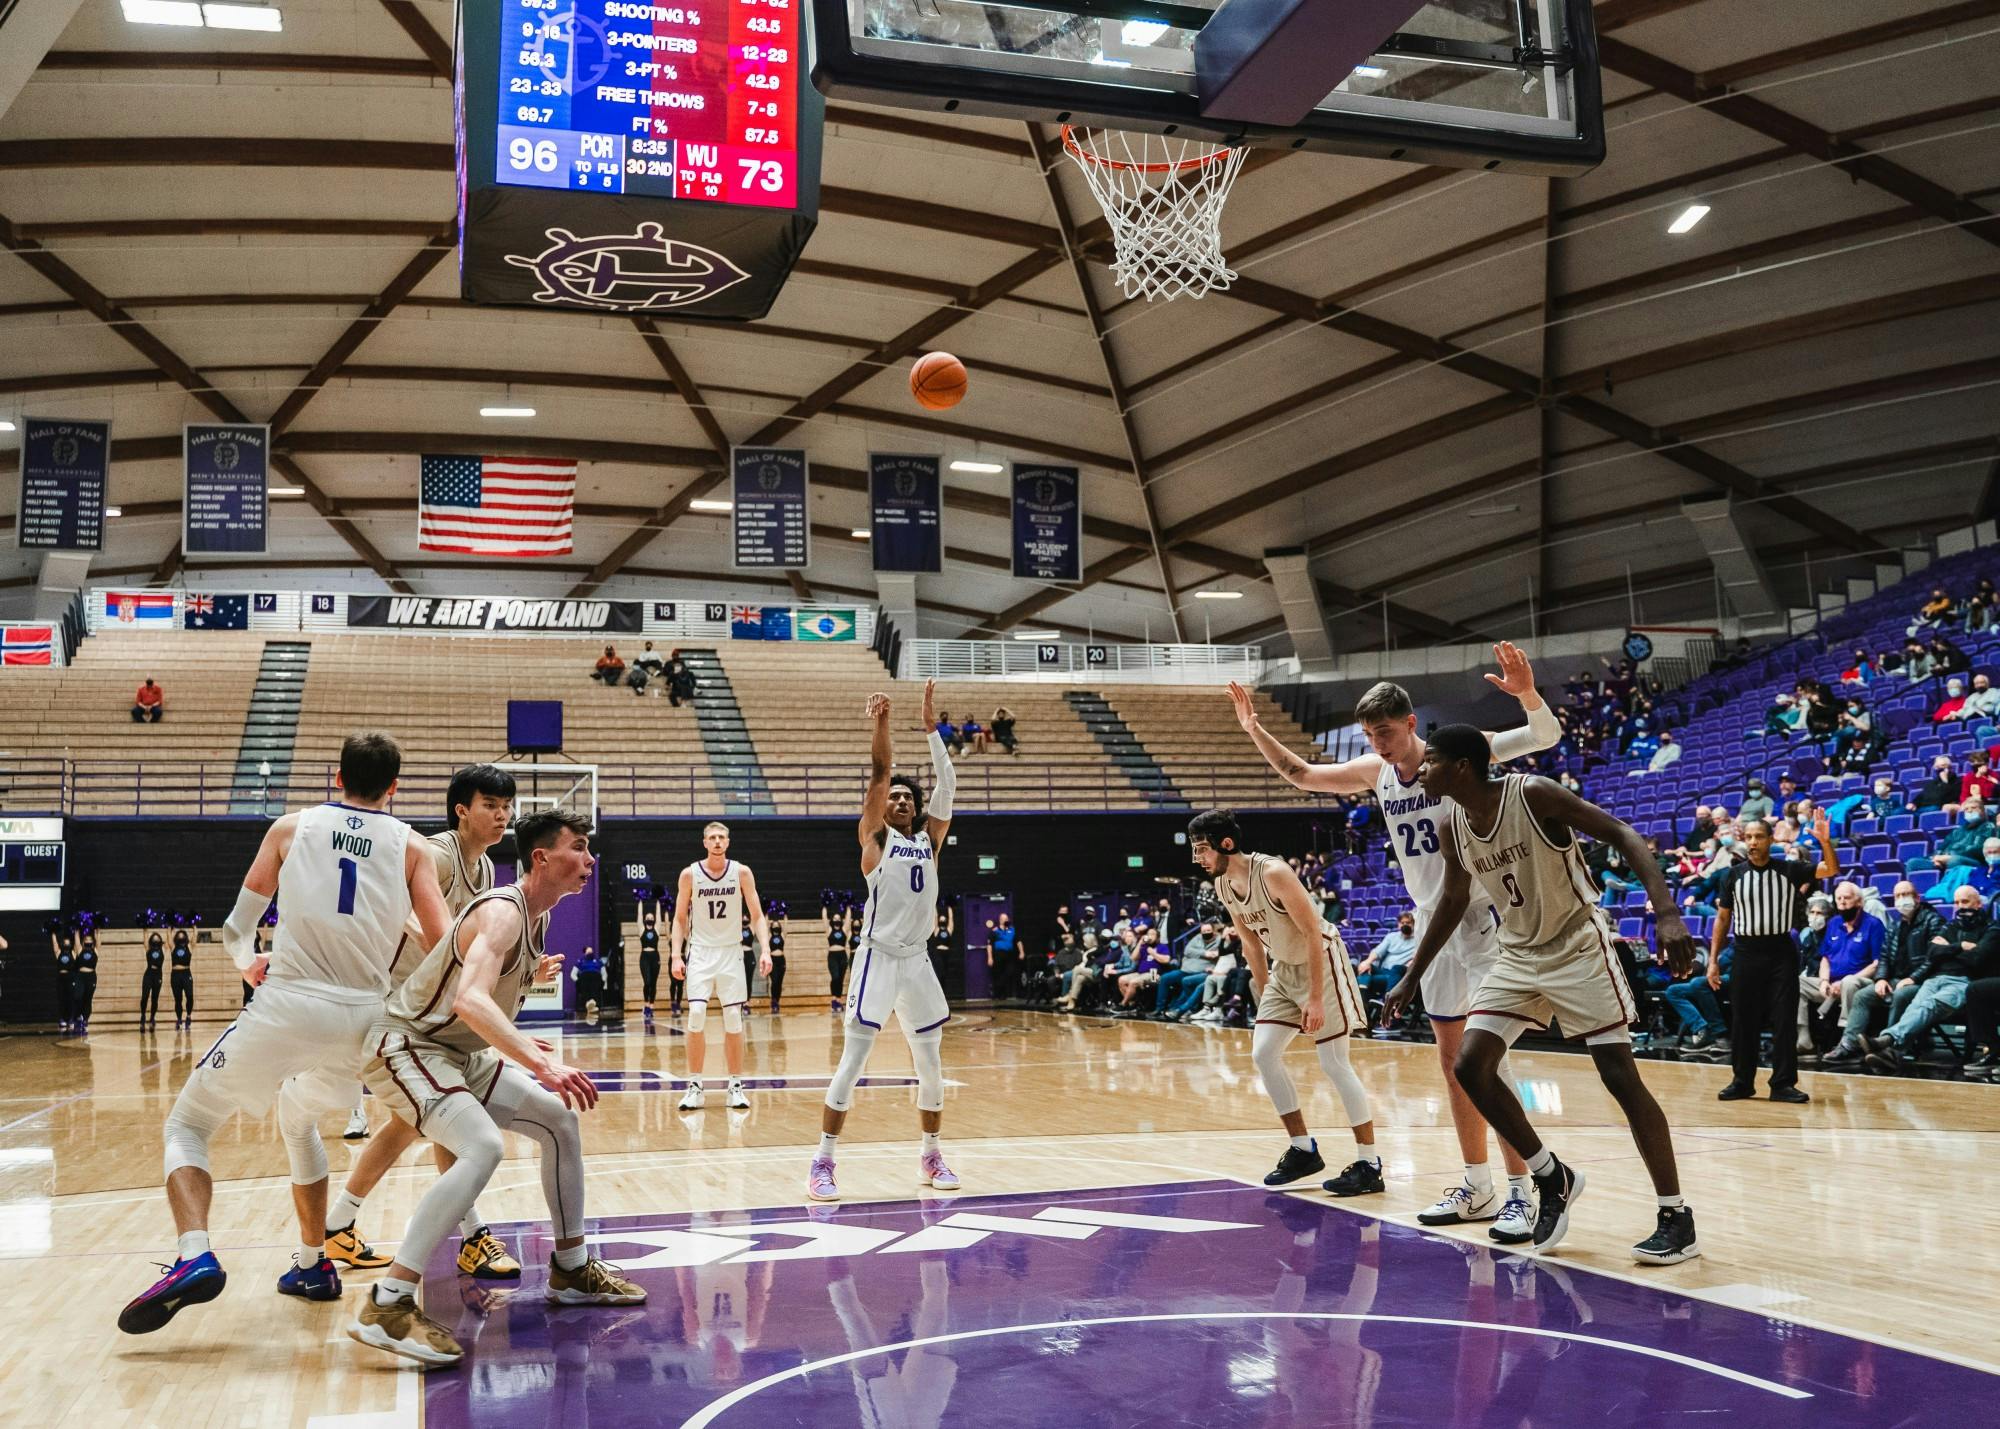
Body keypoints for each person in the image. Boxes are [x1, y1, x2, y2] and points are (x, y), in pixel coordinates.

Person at [117, 732, 452, 1337]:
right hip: (364, 1021)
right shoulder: (411, 847)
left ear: (336, 776)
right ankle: (310, 1264)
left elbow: (236, 926)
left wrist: (249, 962)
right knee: (299, 1119)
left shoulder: (291, 828)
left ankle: (195, 1255)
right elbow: (443, 941)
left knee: (187, 1126)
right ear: (395, 786)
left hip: (290, 1004)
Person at [1227, 642, 1559, 1242]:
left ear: (1411, 723)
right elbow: (1301, 776)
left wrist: (1527, 692)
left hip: (1482, 920)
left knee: (1490, 1062)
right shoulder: (1375, 772)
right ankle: (1477, 1184)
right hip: (1433, 928)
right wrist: (1253, 730)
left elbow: (1544, 735)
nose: (1377, 744)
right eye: (1368, 735)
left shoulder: (1460, 753)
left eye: (1384, 731)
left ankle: (1524, 1191)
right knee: (1454, 1066)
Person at [1382, 725, 1699, 1263]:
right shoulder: (1451, 823)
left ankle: (1676, 1214)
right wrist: (1413, 973)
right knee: (1470, 1065)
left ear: (1463, 766)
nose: (1422, 770)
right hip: (1519, 952)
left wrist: (1666, 912)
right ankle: (1551, 1175)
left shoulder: (1533, 793)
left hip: (1576, 943)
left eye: (1431, 761)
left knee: (1619, 1076)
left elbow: (1622, 833)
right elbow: (1452, 900)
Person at [351, 809, 642, 1366]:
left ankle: (572, 1268)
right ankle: (388, 1303)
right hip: (408, 1043)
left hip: (455, 1054)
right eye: (578, 848)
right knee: (482, 1146)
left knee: (560, 1121)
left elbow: (481, 984)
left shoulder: (536, 919)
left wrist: (530, 975)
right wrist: (540, 1062)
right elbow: (470, 1000)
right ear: (541, 857)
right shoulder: (505, 911)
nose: (588, 859)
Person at [322, 763, 521, 1281]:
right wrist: (428, 940)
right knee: (445, 1113)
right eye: (490, 806)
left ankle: (338, 1225)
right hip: (390, 1008)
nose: (502, 816)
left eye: (506, 807)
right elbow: (375, 893)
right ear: (462, 810)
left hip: (424, 1013)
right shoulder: (437, 853)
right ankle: (472, 1237)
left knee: (419, 1119)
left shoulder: (484, 871)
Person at [808, 680, 960, 1202]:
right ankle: (823, 1161)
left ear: (916, 808)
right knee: (853, 1063)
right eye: (892, 795)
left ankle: (932, 1153)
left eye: (905, 797)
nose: (897, 798)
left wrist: (931, 729)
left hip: (917, 960)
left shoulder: (930, 840)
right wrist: (882, 722)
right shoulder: (877, 840)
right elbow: (878, 772)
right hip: (876, 958)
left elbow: (949, 781)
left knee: (931, 1066)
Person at [1193, 809, 1381, 1199]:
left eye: (1202, 849)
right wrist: (1265, 994)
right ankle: (1302, 1149)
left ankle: (1369, 1162)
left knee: (1333, 1062)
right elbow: (1249, 944)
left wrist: (1314, 996)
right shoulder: (1224, 886)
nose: (1198, 859)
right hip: (1283, 970)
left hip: (1322, 964)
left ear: (1226, 844)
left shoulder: (1273, 872)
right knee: (1263, 1054)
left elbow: (1313, 931)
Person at [1709, 811, 1837, 1104]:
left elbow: (1830, 869)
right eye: (1749, 837)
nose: (1753, 842)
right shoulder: (1731, 876)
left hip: (1780, 952)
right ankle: (1742, 1082)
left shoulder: (1789, 869)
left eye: (1759, 837)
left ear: (1770, 840)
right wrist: (1714, 960)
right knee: (1743, 1021)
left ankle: (1782, 1084)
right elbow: (1722, 919)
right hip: (1745, 952)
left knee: (1784, 1021)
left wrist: (1825, 842)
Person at [672, 822, 771, 1110]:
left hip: (731, 952)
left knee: (733, 1020)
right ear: (704, 842)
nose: (716, 842)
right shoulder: (690, 875)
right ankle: (694, 1085)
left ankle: (735, 1085)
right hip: (701, 952)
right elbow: (679, 918)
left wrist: (765, 949)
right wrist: (676, 955)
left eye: (721, 838)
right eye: (712, 838)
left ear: (728, 842)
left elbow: (757, 915)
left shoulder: (741, 872)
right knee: (697, 1014)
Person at [1864, 885, 1997, 1074]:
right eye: (1957, 902)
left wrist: (1947, 949)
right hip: (1935, 979)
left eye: (1965, 901)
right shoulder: (1951, 926)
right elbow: (1932, 952)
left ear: (1978, 904)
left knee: (1930, 1006)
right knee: (1916, 1007)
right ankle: (1891, 1053)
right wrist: (1961, 946)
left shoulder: (1991, 928)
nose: (1960, 906)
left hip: (1964, 982)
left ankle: (1886, 1041)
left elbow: (1978, 958)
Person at [1355, 912, 1416, 1009]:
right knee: (1365, 967)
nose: (1404, 925)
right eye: (1402, 923)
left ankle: (1386, 1002)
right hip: (1383, 971)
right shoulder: (1391, 936)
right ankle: (1363, 1005)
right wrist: (1367, 962)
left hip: (1398, 975)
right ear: (1398, 924)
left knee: (1396, 969)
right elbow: (1377, 951)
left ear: (1413, 924)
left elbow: (1415, 959)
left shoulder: (1418, 939)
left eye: (1408, 923)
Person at [986, 914, 1019, 1000]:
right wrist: (990, 957)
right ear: (1000, 920)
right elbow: (989, 945)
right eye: (1004, 919)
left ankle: (998, 990)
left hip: (1009, 955)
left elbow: (1018, 941)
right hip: (998, 955)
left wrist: (1021, 952)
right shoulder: (995, 931)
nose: (1006, 920)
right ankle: (999, 995)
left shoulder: (1012, 930)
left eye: (1007, 919)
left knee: (1009, 972)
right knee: (998, 974)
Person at [638, 909, 663, 1020]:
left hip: (655, 957)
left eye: (651, 918)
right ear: (645, 920)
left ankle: (651, 1007)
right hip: (644, 957)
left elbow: (659, 916)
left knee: (653, 983)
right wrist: (640, 901)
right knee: (647, 982)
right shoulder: (642, 929)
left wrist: (658, 900)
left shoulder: (656, 930)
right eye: (648, 918)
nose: (650, 920)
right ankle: (646, 1005)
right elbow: (639, 916)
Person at [140, 928, 166, 1030]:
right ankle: (142, 1016)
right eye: (154, 939)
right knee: (145, 997)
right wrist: (145, 928)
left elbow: (168, 941)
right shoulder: (148, 948)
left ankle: (152, 1018)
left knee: (155, 998)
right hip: (148, 974)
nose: (156, 940)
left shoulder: (163, 949)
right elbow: (145, 937)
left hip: (158, 975)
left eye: (157, 939)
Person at [73, 931, 99, 1032]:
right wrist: (77, 930)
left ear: (93, 942)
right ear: (83, 942)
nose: (88, 942)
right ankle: (78, 1016)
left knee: (88, 999)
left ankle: (85, 1019)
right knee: (78, 996)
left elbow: (98, 940)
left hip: (91, 977)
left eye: (90, 940)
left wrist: (97, 930)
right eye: (86, 940)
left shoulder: (95, 951)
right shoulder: (80, 950)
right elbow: (77, 941)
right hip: (80, 976)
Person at [826, 910, 851, 1016]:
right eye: (834, 918)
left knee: (840, 979)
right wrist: (825, 906)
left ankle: (838, 1001)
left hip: (842, 956)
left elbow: (848, 918)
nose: (836, 920)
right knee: (835, 977)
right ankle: (834, 999)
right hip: (832, 956)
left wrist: (848, 906)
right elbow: (823, 917)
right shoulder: (829, 929)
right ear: (832, 920)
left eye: (838, 918)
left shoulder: (844, 930)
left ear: (841, 920)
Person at [169, 925, 194, 1029]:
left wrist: (194, 927)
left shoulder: (189, 947)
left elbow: (194, 938)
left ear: (185, 937)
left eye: (182, 936)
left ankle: (188, 1016)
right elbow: (168, 938)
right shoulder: (173, 947)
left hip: (186, 973)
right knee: (178, 999)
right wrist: (169, 928)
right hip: (175, 974)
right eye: (178, 936)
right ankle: (179, 1019)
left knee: (189, 996)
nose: (180, 937)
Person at [573, 944, 606, 1020]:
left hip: (596, 978)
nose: (590, 953)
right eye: (588, 951)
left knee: (595, 983)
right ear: (585, 953)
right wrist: (578, 981)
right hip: (584, 978)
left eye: (591, 951)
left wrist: (604, 982)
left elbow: (604, 973)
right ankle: (589, 1002)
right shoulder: (580, 961)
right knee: (585, 982)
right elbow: (573, 974)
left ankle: (593, 1003)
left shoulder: (598, 961)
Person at [52, 932, 76, 1034]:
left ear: (70, 945)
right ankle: (62, 1019)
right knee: (61, 999)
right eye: (64, 944)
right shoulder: (59, 953)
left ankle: (71, 1019)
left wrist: (76, 932)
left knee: (70, 1000)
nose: (66, 945)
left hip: (70, 978)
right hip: (61, 978)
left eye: (68, 944)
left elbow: (77, 945)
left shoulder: (73, 953)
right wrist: (53, 933)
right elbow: (55, 945)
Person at [766, 913, 787, 1012]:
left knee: (779, 982)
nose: (776, 927)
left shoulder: (782, 935)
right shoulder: (769, 935)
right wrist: (766, 914)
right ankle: (773, 1001)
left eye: (777, 925)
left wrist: (785, 914)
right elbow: (765, 925)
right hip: (772, 960)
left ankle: (777, 1002)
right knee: (774, 981)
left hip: (781, 960)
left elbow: (786, 926)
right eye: (774, 926)